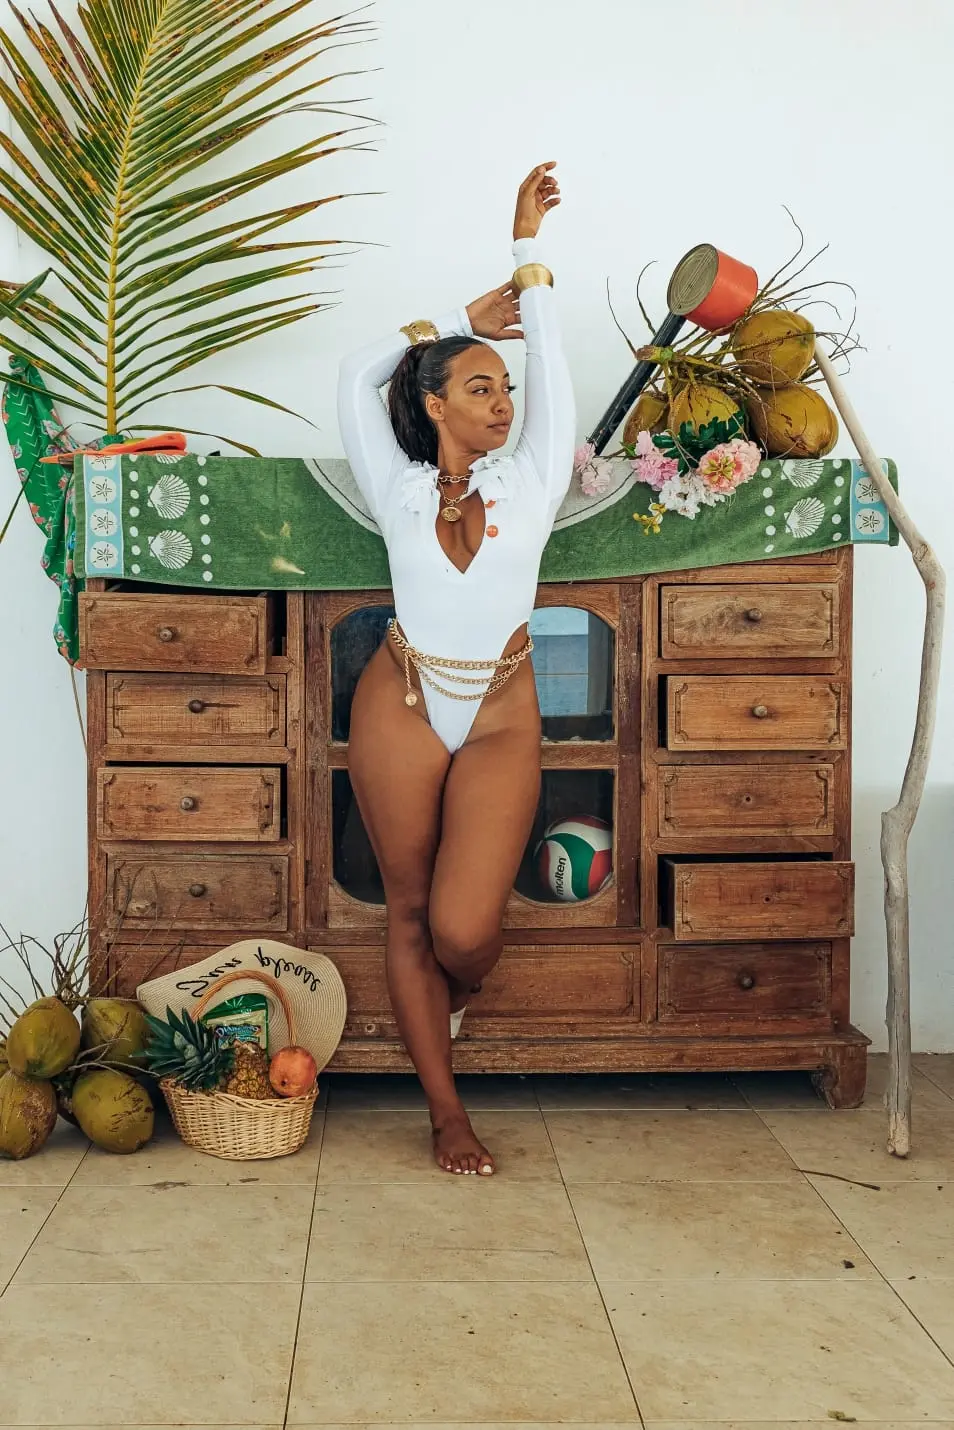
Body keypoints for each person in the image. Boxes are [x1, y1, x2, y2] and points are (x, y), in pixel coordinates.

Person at [337, 163, 574, 1176]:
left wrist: (526, 256)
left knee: (464, 927)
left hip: (503, 709)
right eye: (481, 386)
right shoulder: (392, 483)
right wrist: (452, 317)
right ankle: (445, 1109)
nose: (506, 403)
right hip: (400, 696)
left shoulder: (534, 476)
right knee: (406, 909)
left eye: (507, 387)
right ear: (433, 402)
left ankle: (453, 988)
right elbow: (355, 376)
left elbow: (553, 363)